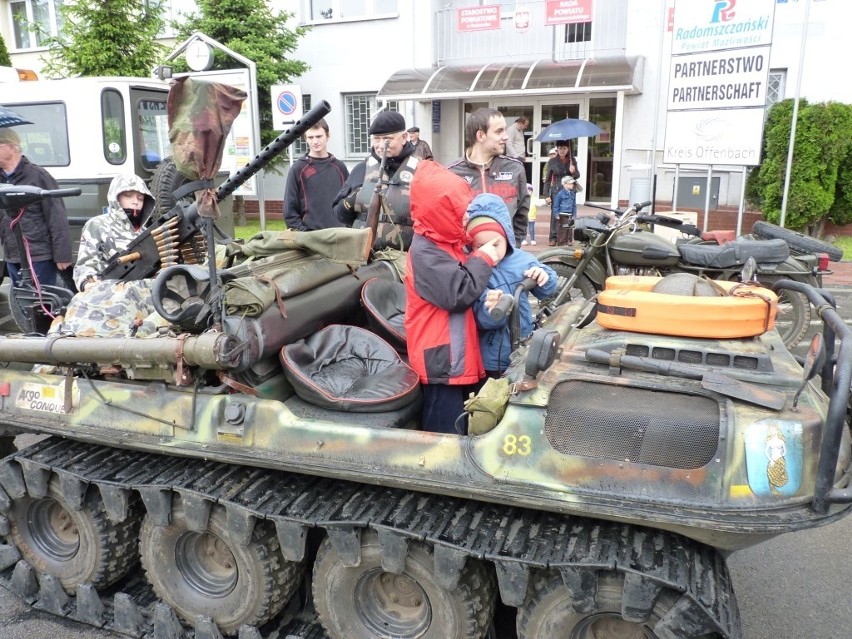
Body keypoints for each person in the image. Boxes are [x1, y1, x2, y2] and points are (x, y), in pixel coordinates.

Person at [405, 161, 501, 435]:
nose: (464, 218)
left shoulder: (445, 242)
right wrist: (484, 257)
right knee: (442, 435)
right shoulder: (426, 252)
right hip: (441, 361)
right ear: (439, 213)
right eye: (458, 212)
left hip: (453, 355)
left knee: (459, 426)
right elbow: (458, 293)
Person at [467, 193, 556, 377]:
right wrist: (491, 309)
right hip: (492, 358)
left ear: (507, 236)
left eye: (496, 243)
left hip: (524, 348)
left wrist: (543, 277)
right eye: (481, 246)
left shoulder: (521, 259)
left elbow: (548, 290)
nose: (490, 250)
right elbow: (480, 318)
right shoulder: (473, 268)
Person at [334, 110, 420, 250]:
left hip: (405, 260)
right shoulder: (362, 170)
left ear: (404, 137)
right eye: (376, 139)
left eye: (387, 139)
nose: (380, 145)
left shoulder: (420, 171)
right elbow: (340, 214)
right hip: (365, 260)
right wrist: (353, 199)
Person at [0, 127, 72, 288]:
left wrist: (62, 254)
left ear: (11, 147)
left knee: (44, 303)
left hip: (39, 255)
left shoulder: (39, 176)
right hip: (12, 254)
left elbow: (57, 216)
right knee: (23, 303)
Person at [447, 107, 529, 248]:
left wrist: (511, 247)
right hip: (467, 262)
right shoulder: (452, 173)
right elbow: (447, 220)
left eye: (505, 129)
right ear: (480, 135)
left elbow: (522, 213)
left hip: (505, 259)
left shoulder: (515, 169)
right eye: (499, 131)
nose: (506, 136)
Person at [74, 174, 155, 291]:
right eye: (128, 196)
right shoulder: (97, 225)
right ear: (116, 198)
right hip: (110, 293)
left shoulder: (145, 232)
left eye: (140, 198)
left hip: (142, 292)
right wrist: (86, 283)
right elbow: (86, 264)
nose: (135, 202)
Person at [283, 118, 349, 231]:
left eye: (319, 136)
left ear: (328, 136)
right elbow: (290, 210)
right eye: (310, 137)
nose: (315, 141)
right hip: (310, 237)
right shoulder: (298, 169)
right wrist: (303, 234)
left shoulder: (340, 167)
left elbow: (349, 202)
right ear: (306, 139)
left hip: (340, 236)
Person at [543, 140, 580, 246]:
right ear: (557, 149)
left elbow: (577, 175)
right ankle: (553, 237)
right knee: (555, 214)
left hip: (569, 191)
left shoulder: (572, 160)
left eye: (564, 148)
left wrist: (574, 171)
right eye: (560, 148)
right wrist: (546, 195)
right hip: (557, 191)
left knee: (569, 214)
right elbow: (548, 180)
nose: (562, 151)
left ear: (568, 149)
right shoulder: (552, 161)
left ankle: (569, 238)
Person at [552, 175, 578, 245]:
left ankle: (568, 240)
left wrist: (574, 214)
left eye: (572, 183)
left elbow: (574, 205)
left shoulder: (572, 193)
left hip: (570, 214)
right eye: (570, 184)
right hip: (562, 214)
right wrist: (556, 214)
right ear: (565, 184)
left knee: (570, 228)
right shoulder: (560, 194)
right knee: (562, 229)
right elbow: (556, 205)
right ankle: (561, 242)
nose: (572, 185)